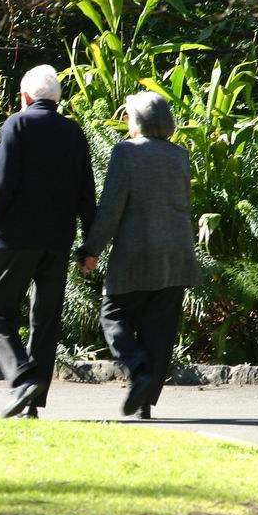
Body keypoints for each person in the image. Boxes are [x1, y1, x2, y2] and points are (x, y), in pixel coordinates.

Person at [0, 65, 96, 419]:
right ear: (56, 100)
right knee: (45, 319)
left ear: (25, 97)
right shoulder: (73, 132)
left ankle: (22, 376)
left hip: (14, 238)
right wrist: (89, 247)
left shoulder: (17, 124)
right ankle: (32, 403)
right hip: (57, 241)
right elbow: (86, 195)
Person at [76, 91, 200, 419]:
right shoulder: (180, 155)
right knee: (159, 328)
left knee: (113, 313)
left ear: (139, 121)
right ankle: (145, 401)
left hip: (137, 249)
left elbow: (111, 208)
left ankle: (137, 370)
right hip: (177, 252)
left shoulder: (125, 153)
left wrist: (91, 249)